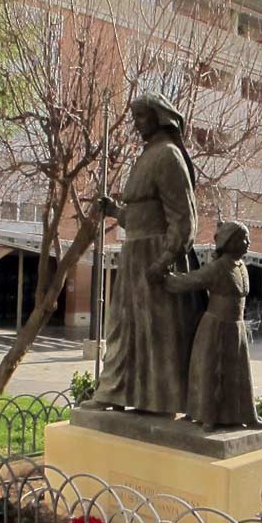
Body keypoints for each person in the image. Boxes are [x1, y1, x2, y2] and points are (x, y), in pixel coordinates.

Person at [82, 93, 203, 414]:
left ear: (159, 117)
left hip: (154, 257)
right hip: (134, 253)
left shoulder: (168, 156)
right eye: (134, 118)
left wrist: (164, 261)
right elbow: (142, 214)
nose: (136, 124)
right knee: (123, 325)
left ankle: (157, 402)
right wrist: (116, 212)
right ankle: (114, 393)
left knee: (154, 333)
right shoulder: (149, 155)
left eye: (141, 117)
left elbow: (184, 219)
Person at [161, 222, 261, 430]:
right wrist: (166, 278)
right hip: (216, 327)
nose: (248, 243)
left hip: (236, 328)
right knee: (211, 372)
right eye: (243, 239)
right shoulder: (218, 267)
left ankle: (246, 414)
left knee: (238, 376)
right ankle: (207, 415)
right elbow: (188, 281)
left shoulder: (241, 266)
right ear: (229, 242)